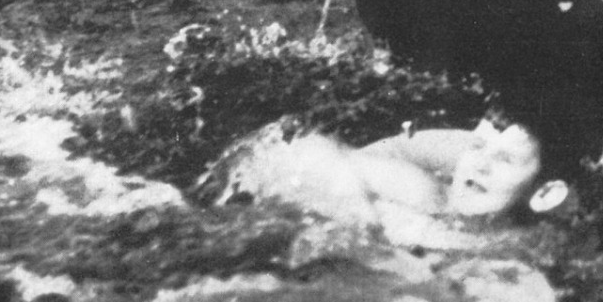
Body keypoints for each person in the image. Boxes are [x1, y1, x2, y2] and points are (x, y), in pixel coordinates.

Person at [205, 115, 570, 246]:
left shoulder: (531, 243)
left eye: (504, 159)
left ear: (545, 194)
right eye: (477, 147)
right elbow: (306, 151)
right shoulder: (425, 194)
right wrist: (369, 227)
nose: (480, 164)